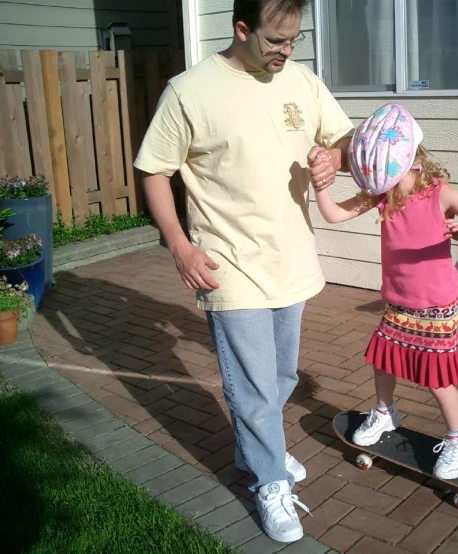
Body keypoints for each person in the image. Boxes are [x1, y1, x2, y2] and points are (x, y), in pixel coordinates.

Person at [133, 0, 353, 543]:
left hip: (291, 257)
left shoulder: (302, 80)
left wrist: (335, 159)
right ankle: (270, 483)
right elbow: (154, 171)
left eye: (293, 40)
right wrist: (180, 247)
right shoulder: (190, 91)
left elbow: (342, 142)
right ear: (240, 29)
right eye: (275, 41)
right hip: (227, 263)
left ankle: (257, 451)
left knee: (280, 378)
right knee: (253, 385)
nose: (285, 52)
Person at [311, 103, 458, 479]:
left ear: (414, 164)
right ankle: (385, 413)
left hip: (437, 307)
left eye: (390, 179)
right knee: (384, 361)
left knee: (438, 380)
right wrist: (321, 187)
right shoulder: (382, 195)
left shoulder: (443, 196)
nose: (386, 189)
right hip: (399, 302)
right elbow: (334, 214)